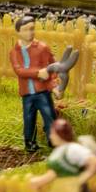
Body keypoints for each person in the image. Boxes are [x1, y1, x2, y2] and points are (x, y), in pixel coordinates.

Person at [11, 19, 60, 153]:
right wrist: (38, 73)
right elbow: (19, 70)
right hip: (27, 93)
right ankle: (30, 142)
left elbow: (52, 67)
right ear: (18, 32)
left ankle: (54, 140)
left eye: (32, 28)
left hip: (43, 91)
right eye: (26, 29)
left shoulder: (42, 48)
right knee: (28, 118)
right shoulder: (15, 52)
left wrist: (53, 86)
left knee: (50, 115)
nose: (30, 32)